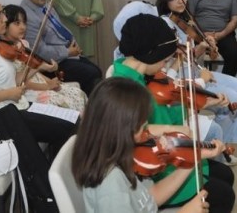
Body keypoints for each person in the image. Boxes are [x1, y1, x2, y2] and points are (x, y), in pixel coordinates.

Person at [112, 13, 235, 212]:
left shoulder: (145, 76)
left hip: (173, 151)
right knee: (224, 195)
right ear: (151, 53)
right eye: (164, 59)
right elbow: (134, 133)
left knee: (226, 176)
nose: (165, 65)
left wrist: (203, 102)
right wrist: (173, 128)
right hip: (159, 164)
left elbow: (168, 107)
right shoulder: (125, 90)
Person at [0, 0, 77, 157]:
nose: (5, 19)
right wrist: (8, 94)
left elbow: (14, 79)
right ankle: (53, 170)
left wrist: (37, 67)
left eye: (3, 12)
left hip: (13, 110)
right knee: (67, 128)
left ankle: (53, 166)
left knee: (72, 120)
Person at [72, 77, 209, 213]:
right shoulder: (110, 185)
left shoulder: (123, 155)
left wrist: (193, 158)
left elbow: (151, 197)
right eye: (142, 127)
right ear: (121, 131)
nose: (147, 134)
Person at [156, 0, 237, 164]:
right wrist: (200, 51)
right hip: (184, 78)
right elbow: (178, 58)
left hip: (195, 70)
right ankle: (218, 151)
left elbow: (189, 55)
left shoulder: (182, 21)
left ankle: (225, 144)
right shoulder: (164, 25)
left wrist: (203, 46)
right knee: (231, 98)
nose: (181, 1)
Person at [22, 0, 102, 96]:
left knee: (97, 70)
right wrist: (67, 52)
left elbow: (61, 27)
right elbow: (39, 51)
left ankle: (91, 104)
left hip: (67, 54)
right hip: (52, 63)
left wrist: (73, 44)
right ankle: (90, 106)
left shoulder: (46, 4)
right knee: (92, 73)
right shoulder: (26, 16)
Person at [2, 4, 87, 112]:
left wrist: (50, 81)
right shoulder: (5, 52)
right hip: (29, 92)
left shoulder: (23, 44)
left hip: (40, 83)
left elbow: (35, 73)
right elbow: (20, 82)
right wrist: (46, 85)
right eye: (17, 23)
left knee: (79, 94)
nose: (23, 27)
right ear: (5, 25)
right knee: (67, 103)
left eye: (24, 22)